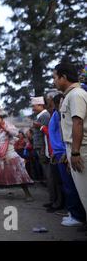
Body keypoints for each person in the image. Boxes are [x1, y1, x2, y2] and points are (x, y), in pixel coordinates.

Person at [53, 62, 87, 220]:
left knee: (85, 193)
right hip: (74, 149)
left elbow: (78, 123)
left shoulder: (76, 95)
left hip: (81, 151)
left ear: (64, 77)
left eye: (55, 77)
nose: (54, 82)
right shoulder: (71, 95)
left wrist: (74, 151)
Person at [47, 93, 86, 226]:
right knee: (66, 184)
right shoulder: (56, 114)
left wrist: (66, 152)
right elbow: (56, 136)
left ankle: (77, 215)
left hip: (65, 153)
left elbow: (68, 134)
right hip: (59, 152)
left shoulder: (63, 112)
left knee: (71, 185)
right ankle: (73, 212)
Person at [0, 109, 34, 201]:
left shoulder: (7, 124)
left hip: (8, 152)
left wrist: (4, 127)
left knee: (18, 172)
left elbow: (17, 134)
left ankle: (28, 194)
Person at [41, 93, 64, 212]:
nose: (49, 107)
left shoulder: (57, 115)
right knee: (56, 180)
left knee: (60, 181)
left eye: (50, 104)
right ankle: (56, 202)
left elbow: (57, 135)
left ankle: (59, 204)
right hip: (54, 151)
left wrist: (42, 128)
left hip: (58, 151)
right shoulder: (53, 115)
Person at [31, 96, 50, 187]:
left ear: (40, 105)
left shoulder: (45, 116)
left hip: (43, 147)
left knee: (48, 173)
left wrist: (43, 148)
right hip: (40, 147)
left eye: (34, 106)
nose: (33, 109)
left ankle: (54, 199)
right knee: (46, 173)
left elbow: (46, 134)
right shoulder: (40, 116)